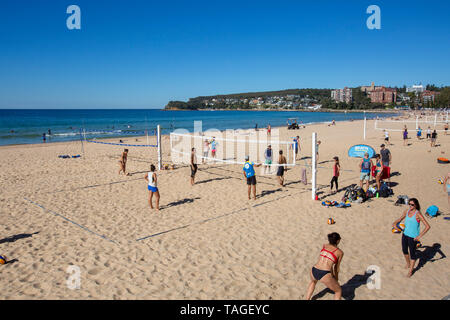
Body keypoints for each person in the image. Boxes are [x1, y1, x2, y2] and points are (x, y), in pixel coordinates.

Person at [392, 198, 431, 277]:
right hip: (405, 234)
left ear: (416, 205)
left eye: (412, 204)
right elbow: (400, 219)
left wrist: (419, 236)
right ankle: (408, 263)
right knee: (404, 250)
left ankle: (410, 271)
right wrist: (394, 223)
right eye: (409, 204)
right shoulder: (407, 211)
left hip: (413, 237)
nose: (410, 205)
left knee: (412, 254)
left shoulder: (418, 214)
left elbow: (427, 226)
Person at [305, 232, 344, 300]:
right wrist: (336, 279)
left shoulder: (324, 245)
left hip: (314, 269)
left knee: (313, 282)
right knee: (338, 291)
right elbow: (336, 268)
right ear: (338, 241)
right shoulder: (340, 252)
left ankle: (307, 299)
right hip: (324, 273)